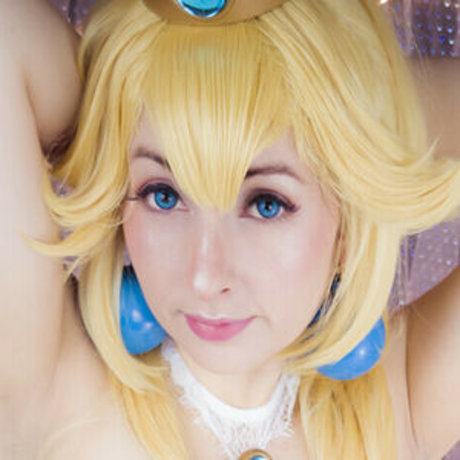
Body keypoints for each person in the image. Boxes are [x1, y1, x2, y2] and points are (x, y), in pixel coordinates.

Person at [1, 0, 460, 459]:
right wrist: (122, 102)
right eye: (164, 195)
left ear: (347, 223)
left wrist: (355, 112)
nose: (205, 277)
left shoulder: (399, 404)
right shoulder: (54, 385)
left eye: (265, 204)